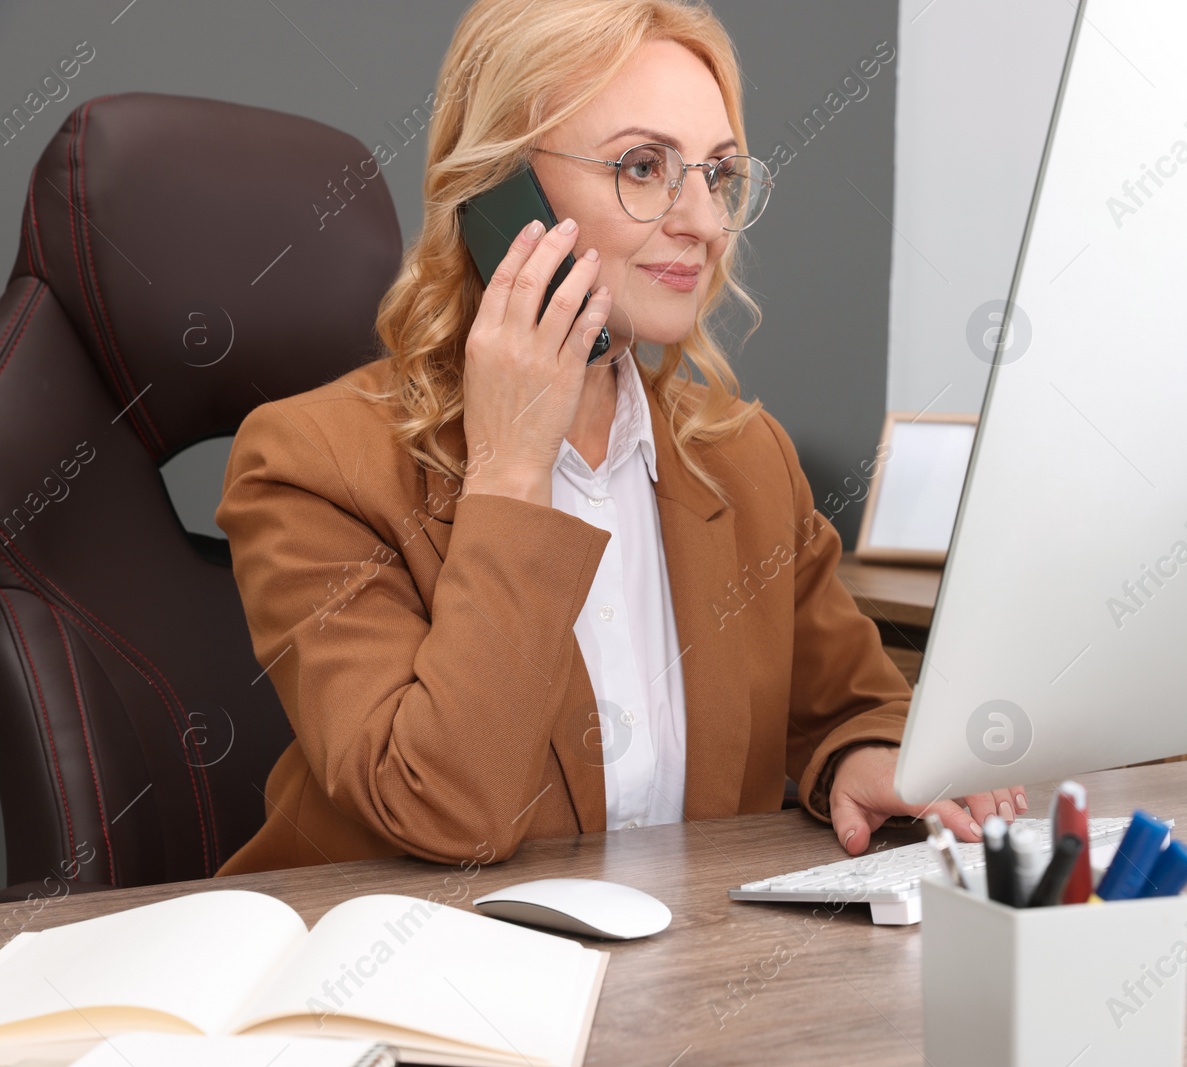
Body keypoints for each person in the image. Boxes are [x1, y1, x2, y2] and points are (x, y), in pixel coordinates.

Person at [214, 0, 1025, 876]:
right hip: (400, 991)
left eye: (717, 174)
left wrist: (863, 759)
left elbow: (854, 705)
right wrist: (512, 469)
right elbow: (447, 810)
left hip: (682, 991)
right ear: (502, 192)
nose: (706, 224)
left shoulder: (745, 462)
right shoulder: (311, 467)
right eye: (643, 167)